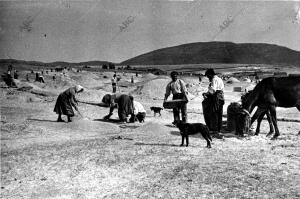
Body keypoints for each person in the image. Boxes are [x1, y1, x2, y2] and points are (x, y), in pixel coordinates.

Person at [202, 69, 225, 133]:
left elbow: (213, 91)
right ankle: (219, 129)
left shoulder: (214, 79)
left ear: (210, 75)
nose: (208, 78)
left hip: (216, 98)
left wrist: (205, 94)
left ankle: (214, 129)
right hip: (221, 98)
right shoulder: (219, 79)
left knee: (214, 113)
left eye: (208, 76)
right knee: (219, 113)